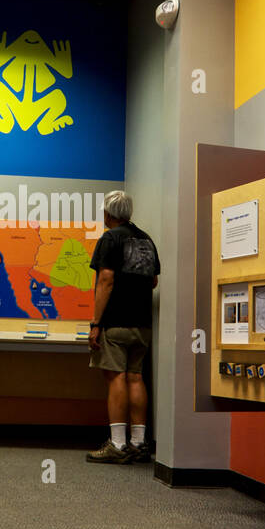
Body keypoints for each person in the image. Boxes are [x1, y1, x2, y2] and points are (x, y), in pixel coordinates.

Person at [85, 190, 160, 464]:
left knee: (115, 377)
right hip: (142, 324)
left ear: (107, 214)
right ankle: (139, 444)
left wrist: (96, 324)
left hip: (115, 323)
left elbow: (106, 279)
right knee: (135, 377)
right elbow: (152, 280)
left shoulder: (110, 239)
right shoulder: (146, 239)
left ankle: (117, 444)